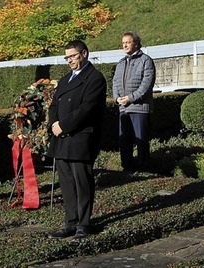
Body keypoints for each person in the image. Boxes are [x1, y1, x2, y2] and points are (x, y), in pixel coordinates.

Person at [47, 40, 106, 239]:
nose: (69, 60)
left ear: (84, 54)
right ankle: (70, 222)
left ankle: (84, 223)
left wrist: (64, 125)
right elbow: (54, 105)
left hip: (81, 137)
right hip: (62, 138)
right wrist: (54, 124)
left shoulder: (95, 78)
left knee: (82, 182)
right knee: (67, 183)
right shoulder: (65, 80)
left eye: (73, 56)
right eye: (67, 57)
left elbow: (87, 109)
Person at [112, 31, 156, 172]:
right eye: (123, 42)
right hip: (123, 109)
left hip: (139, 108)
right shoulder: (121, 63)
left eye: (128, 42)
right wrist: (116, 98)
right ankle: (127, 168)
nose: (125, 45)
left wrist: (131, 98)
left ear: (136, 44)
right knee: (124, 141)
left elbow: (146, 84)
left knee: (141, 140)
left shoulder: (146, 60)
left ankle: (144, 169)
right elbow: (115, 82)